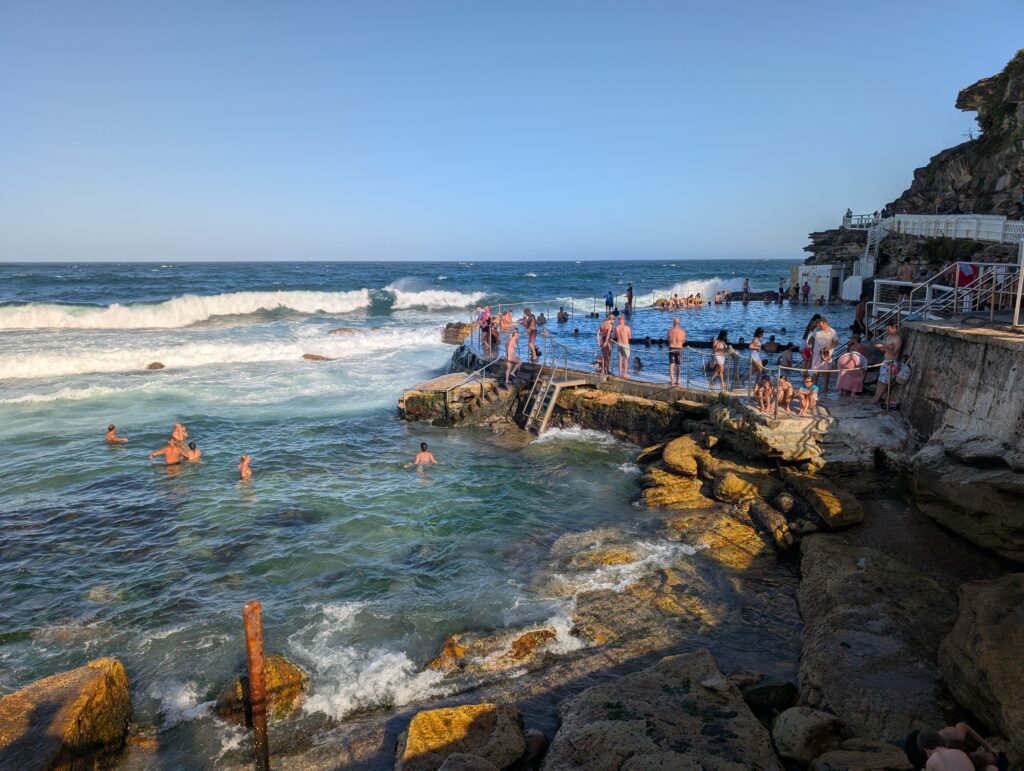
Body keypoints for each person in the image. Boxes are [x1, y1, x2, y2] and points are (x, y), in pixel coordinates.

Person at [872, 321, 903, 407]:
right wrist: (882, 347)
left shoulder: (898, 339)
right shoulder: (889, 337)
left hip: (892, 362)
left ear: (894, 327)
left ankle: (876, 399)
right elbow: (886, 349)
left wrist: (883, 347)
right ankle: (875, 397)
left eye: (888, 329)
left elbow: (893, 353)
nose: (887, 331)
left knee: (885, 382)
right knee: (880, 381)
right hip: (885, 361)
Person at [808, 317, 839, 392]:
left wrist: (828, 348)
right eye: (819, 325)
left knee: (826, 371)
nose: (819, 327)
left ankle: (825, 387)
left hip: (827, 354)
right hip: (816, 353)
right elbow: (812, 338)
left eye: (821, 325)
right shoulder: (816, 330)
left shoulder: (832, 332)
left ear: (825, 323)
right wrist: (810, 343)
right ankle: (815, 386)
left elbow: (836, 342)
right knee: (815, 371)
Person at [667, 318, 686, 386]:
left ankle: (672, 380)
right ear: (679, 323)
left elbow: (668, 340)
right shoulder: (683, 332)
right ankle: (677, 380)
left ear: (673, 323)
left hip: (671, 348)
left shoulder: (669, 331)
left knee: (671, 364)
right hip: (679, 349)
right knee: (678, 364)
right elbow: (683, 341)